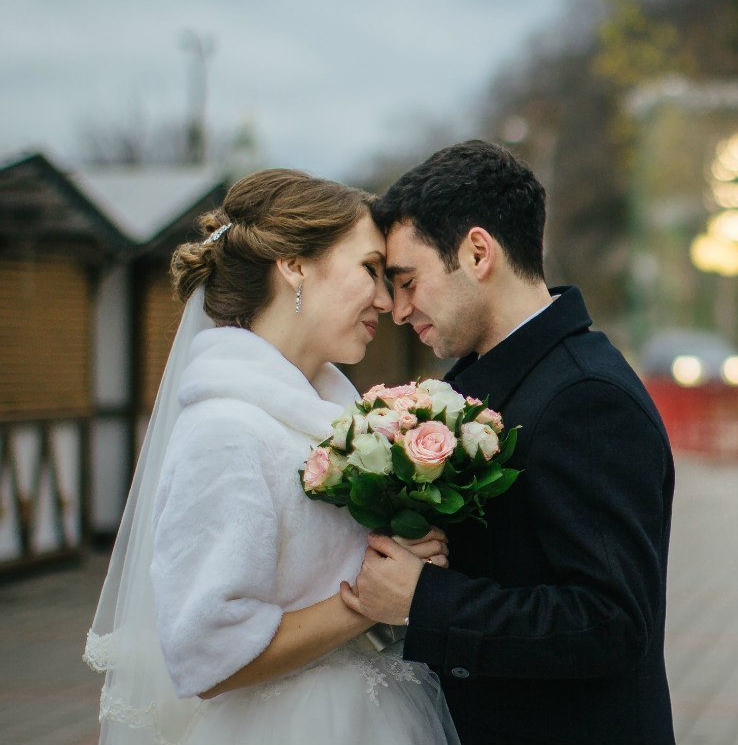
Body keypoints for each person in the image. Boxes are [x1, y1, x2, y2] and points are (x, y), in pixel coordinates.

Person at [84, 169, 458, 745]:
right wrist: (367, 602)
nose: (387, 301)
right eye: (369, 270)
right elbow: (207, 656)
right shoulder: (226, 431)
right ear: (294, 265)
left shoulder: (330, 417)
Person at [342, 140, 677, 745]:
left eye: (408, 281)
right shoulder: (480, 380)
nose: (397, 309)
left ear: (477, 252)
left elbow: (612, 621)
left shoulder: (586, 398)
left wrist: (427, 600)